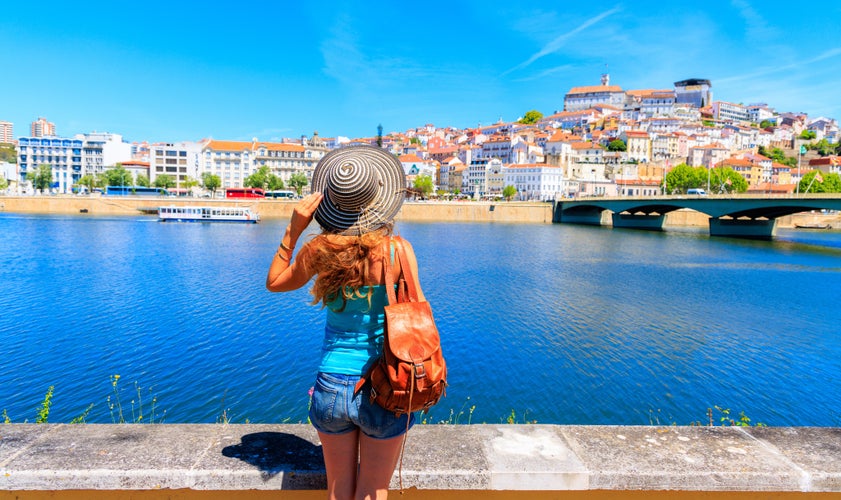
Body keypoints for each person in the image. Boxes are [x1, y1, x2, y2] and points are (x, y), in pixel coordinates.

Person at [266, 145, 424, 500]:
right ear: (380, 199)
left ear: (331, 205)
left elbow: (274, 283)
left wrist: (293, 229)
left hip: (332, 385)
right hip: (385, 384)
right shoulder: (399, 251)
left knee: (337, 493)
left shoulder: (319, 249)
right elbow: (416, 312)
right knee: (373, 491)